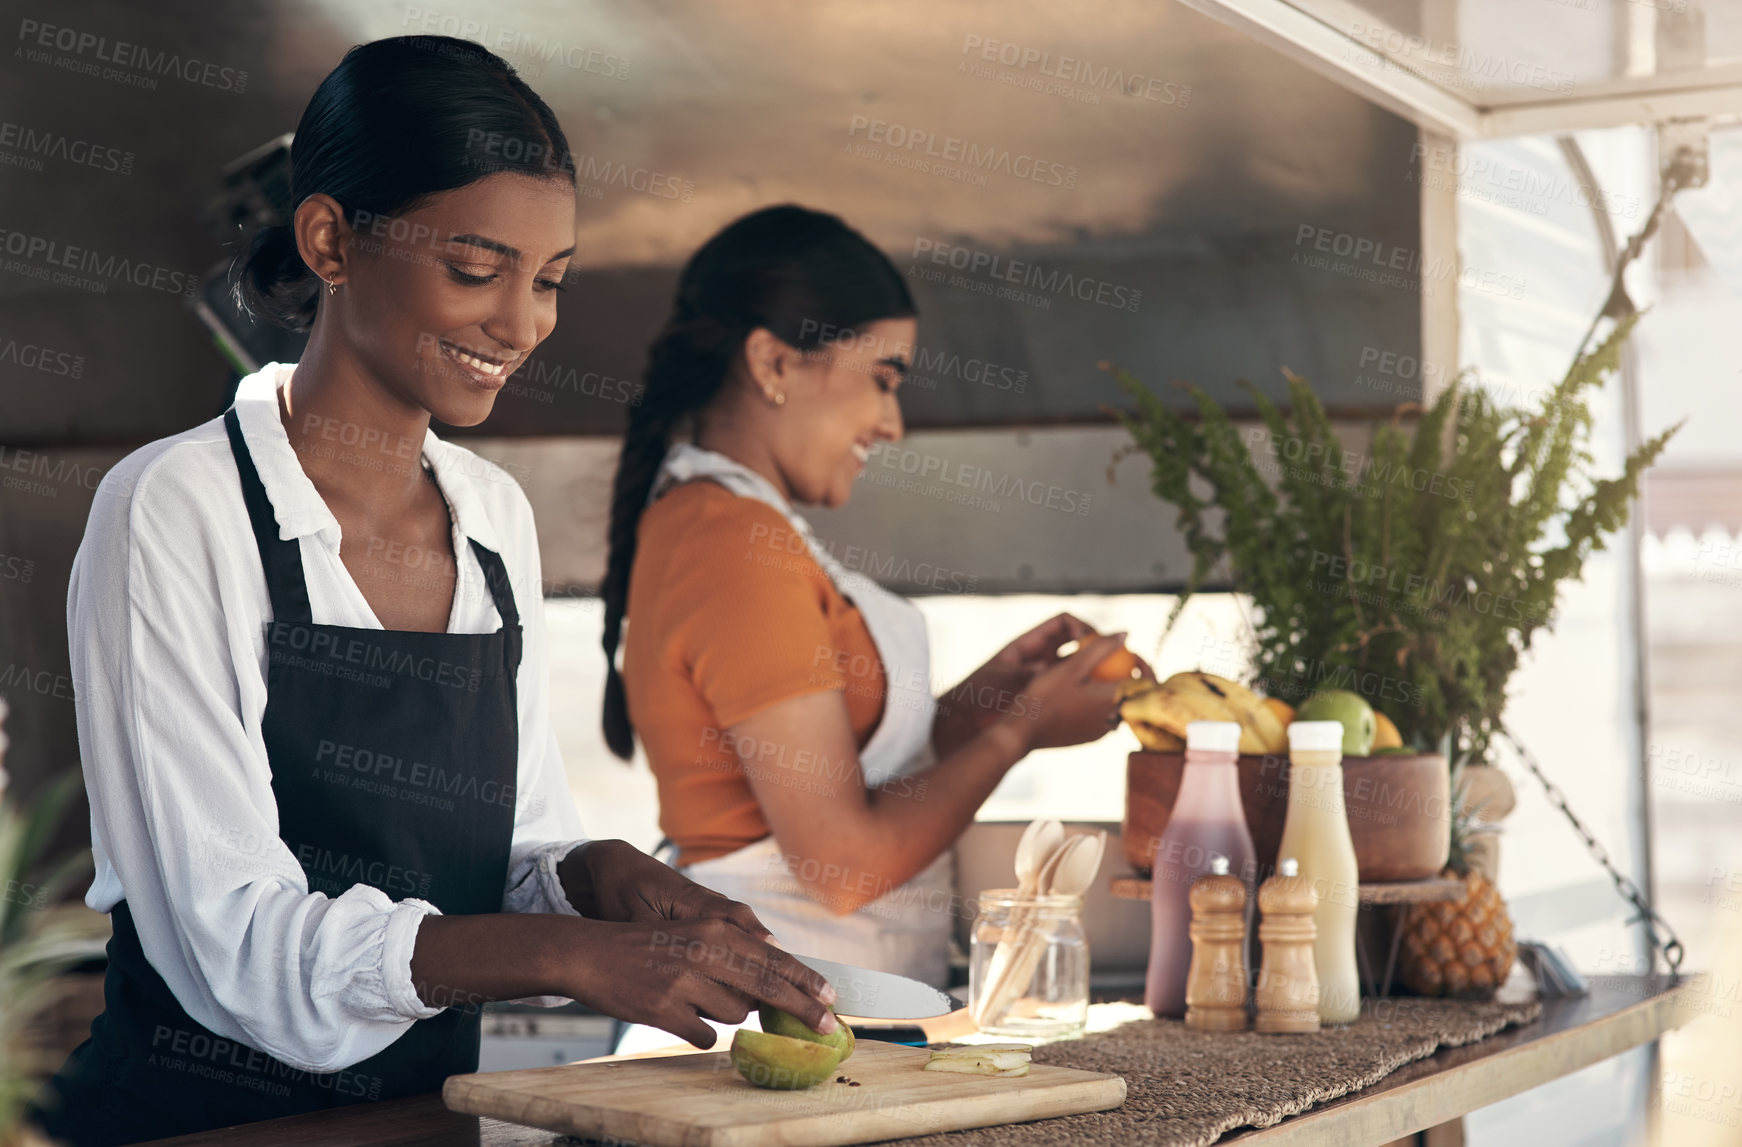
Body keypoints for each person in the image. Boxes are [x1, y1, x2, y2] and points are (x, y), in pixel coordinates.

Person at [30, 38, 833, 1147]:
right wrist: (564, 952)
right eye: (475, 269)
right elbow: (234, 941)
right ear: (329, 240)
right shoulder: (174, 508)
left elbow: (510, 853)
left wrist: (604, 884)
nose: (522, 324)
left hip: (434, 1119)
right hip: (197, 1124)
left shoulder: (491, 517)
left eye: (548, 280)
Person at [599, 205, 1141, 1032]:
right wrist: (1022, 726)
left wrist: (988, 704)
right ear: (775, 360)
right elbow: (842, 861)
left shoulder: (738, 526)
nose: (892, 423)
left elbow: (846, 779)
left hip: (826, 1019)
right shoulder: (734, 541)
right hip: (770, 1035)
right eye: (884, 378)